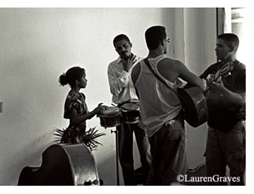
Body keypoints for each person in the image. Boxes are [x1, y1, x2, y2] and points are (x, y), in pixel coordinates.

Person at [131, 26, 205, 185]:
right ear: (161, 42)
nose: (167, 43)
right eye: (167, 40)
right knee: (175, 175)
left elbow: (142, 98)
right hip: (172, 126)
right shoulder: (173, 65)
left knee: (157, 172)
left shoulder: (136, 70)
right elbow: (201, 85)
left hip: (151, 129)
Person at [199, 33, 245, 185]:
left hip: (233, 128)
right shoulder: (214, 68)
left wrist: (221, 89)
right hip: (213, 128)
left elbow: (241, 100)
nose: (215, 49)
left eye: (220, 46)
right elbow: (199, 85)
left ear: (232, 48)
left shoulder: (243, 71)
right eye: (216, 45)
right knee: (213, 174)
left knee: (236, 174)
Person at [107, 34, 151, 185]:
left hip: (141, 109)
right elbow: (114, 90)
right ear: (115, 50)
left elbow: (148, 87)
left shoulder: (143, 63)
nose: (123, 49)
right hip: (122, 111)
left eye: (125, 46)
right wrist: (125, 71)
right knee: (125, 154)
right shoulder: (113, 66)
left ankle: (150, 185)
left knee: (146, 150)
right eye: (119, 48)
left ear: (130, 44)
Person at [59, 66, 106, 145]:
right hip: (73, 137)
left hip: (80, 136)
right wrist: (93, 112)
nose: (86, 80)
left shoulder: (81, 96)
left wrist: (97, 110)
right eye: (84, 77)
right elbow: (75, 120)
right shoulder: (72, 99)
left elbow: (86, 115)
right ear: (77, 81)